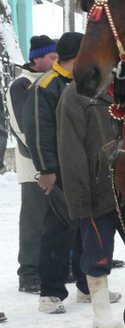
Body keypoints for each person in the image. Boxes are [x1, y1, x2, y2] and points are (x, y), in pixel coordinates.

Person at [23, 32, 89, 314]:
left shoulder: (85, 81)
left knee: (89, 228)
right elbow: (39, 133)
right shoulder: (47, 85)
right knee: (58, 230)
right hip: (61, 170)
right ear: (77, 55)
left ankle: (88, 287)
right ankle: (50, 292)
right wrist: (46, 171)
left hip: (87, 169)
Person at [57, 81, 122, 326]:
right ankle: (102, 315)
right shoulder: (75, 94)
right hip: (99, 191)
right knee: (97, 256)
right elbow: (70, 150)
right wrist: (81, 201)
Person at [5, 35, 58, 295]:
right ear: (36, 58)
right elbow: (24, 127)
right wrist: (42, 157)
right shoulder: (21, 84)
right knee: (34, 221)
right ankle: (28, 272)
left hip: (57, 161)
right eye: (52, 57)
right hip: (34, 164)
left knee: (60, 220)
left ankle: (62, 267)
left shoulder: (54, 81)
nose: (57, 61)